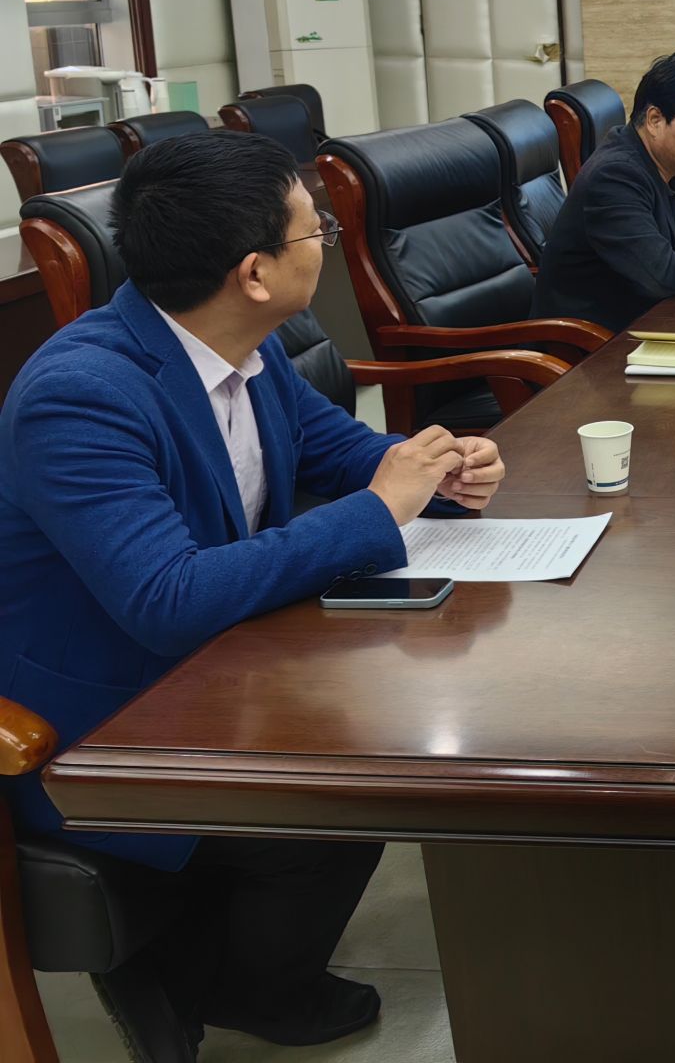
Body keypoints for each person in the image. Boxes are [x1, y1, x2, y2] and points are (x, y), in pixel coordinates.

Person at [0, 131, 508, 1059]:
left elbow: (348, 456)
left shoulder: (242, 347)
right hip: (106, 716)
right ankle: (234, 987)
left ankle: (247, 971)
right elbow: (168, 599)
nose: (328, 245)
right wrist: (379, 511)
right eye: (315, 232)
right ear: (255, 273)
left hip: (222, 667)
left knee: (380, 746)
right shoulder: (81, 395)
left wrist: (439, 468)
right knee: (348, 794)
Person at [532, 52, 675, 332]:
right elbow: (661, 276)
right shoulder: (614, 177)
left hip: (657, 323)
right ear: (654, 120)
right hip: (595, 343)